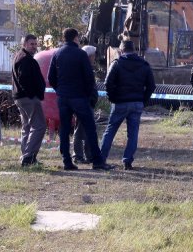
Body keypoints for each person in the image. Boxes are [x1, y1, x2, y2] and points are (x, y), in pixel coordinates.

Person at [48, 28, 112, 171]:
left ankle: (67, 161)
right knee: (90, 128)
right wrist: (90, 96)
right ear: (76, 38)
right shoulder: (81, 54)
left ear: (64, 38)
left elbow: (51, 77)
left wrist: (60, 90)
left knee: (64, 129)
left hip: (63, 98)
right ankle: (97, 160)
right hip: (79, 97)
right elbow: (89, 78)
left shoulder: (57, 54)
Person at [100, 40, 156, 169]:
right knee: (133, 133)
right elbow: (151, 86)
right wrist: (143, 100)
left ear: (121, 50)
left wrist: (112, 98)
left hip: (120, 103)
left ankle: (101, 158)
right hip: (136, 103)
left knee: (110, 131)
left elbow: (108, 83)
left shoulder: (117, 63)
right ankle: (127, 161)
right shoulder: (144, 64)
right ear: (134, 49)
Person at [12, 34, 47, 167]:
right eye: (31, 44)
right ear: (24, 44)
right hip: (28, 98)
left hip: (21, 97)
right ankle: (28, 157)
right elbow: (23, 79)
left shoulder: (19, 56)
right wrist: (33, 94)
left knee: (27, 127)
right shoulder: (25, 59)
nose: (34, 46)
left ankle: (25, 156)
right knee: (39, 126)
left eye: (35, 44)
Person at [72, 44, 98, 164]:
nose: (95, 58)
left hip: (85, 102)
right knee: (81, 130)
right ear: (90, 56)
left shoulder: (82, 67)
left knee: (87, 130)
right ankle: (78, 155)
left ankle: (87, 155)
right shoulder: (83, 69)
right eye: (93, 55)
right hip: (84, 103)